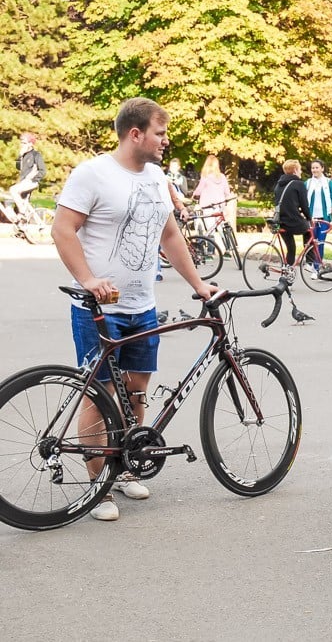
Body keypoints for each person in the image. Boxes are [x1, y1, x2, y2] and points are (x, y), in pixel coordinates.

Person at [50, 97, 217, 521]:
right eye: (160, 133)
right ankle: (97, 487)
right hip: (98, 308)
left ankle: (123, 468)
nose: (166, 141)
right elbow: (62, 229)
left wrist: (198, 285)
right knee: (100, 393)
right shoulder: (92, 173)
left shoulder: (157, 177)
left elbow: (171, 236)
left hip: (142, 305)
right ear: (135, 133)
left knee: (136, 392)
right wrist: (88, 279)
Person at [274, 159, 312, 266]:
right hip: (292, 221)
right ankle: (310, 261)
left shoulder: (279, 184)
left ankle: (287, 271)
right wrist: (309, 218)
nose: (300, 172)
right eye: (299, 170)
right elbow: (304, 206)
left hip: (280, 221)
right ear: (295, 170)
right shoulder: (298, 184)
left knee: (291, 248)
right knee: (309, 231)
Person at [304, 160, 332, 274]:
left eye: (317, 167)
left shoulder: (329, 183)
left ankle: (316, 268)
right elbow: (303, 200)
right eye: (313, 168)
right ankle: (311, 264)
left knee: (321, 242)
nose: (314, 170)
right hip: (312, 217)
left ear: (322, 168)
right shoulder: (308, 183)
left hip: (324, 217)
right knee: (312, 242)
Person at [193, 154, 233, 230]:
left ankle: (211, 241)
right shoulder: (222, 177)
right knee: (221, 229)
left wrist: (194, 195)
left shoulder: (205, 177)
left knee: (210, 229)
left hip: (208, 207)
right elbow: (227, 192)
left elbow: (198, 191)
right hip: (220, 207)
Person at [11, 132, 46, 205]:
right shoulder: (22, 155)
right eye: (21, 143)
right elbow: (18, 167)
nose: (22, 145)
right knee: (20, 203)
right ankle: (23, 213)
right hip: (23, 182)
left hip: (31, 182)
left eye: (24, 143)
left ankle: (22, 210)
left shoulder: (36, 155)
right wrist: (20, 156)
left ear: (30, 144)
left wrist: (33, 179)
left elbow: (42, 171)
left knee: (13, 190)